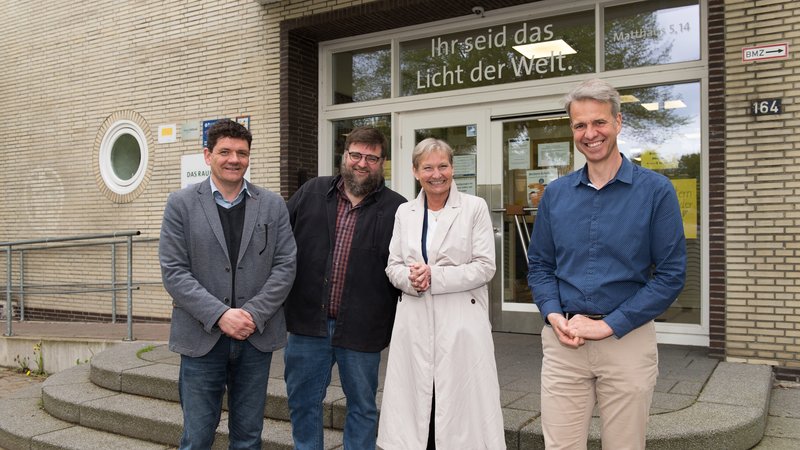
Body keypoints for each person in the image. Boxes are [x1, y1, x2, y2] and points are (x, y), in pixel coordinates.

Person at [527, 78, 686, 449]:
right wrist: (552, 315)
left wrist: (608, 326)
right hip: (564, 342)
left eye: (599, 122)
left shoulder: (656, 191)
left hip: (626, 341)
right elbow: (539, 267)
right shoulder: (556, 195)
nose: (590, 133)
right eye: (580, 124)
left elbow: (670, 276)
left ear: (618, 122)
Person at [159, 119, 297, 449]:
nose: (234, 159)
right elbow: (174, 272)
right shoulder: (181, 204)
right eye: (225, 151)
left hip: (255, 337)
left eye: (241, 152)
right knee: (197, 437)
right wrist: (222, 315)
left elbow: (286, 265)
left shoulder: (272, 205)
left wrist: (251, 314)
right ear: (207, 156)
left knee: (249, 438)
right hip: (201, 337)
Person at [377, 138, 506, 449]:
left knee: (461, 407)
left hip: (461, 323)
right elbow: (392, 265)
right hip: (415, 322)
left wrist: (434, 276)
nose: (437, 174)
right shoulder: (404, 212)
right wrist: (411, 279)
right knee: (419, 403)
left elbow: (485, 267)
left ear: (453, 168)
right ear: (415, 171)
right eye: (428, 167)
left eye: (443, 166)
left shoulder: (474, 207)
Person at [283, 126, 406, 450]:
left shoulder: (399, 209)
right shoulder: (311, 192)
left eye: (372, 158)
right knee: (303, 403)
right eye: (356, 155)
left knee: (363, 408)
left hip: (363, 329)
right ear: (344, 156)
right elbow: (277, 244)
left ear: (383, 163)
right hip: (308, 325)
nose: (362, 163)